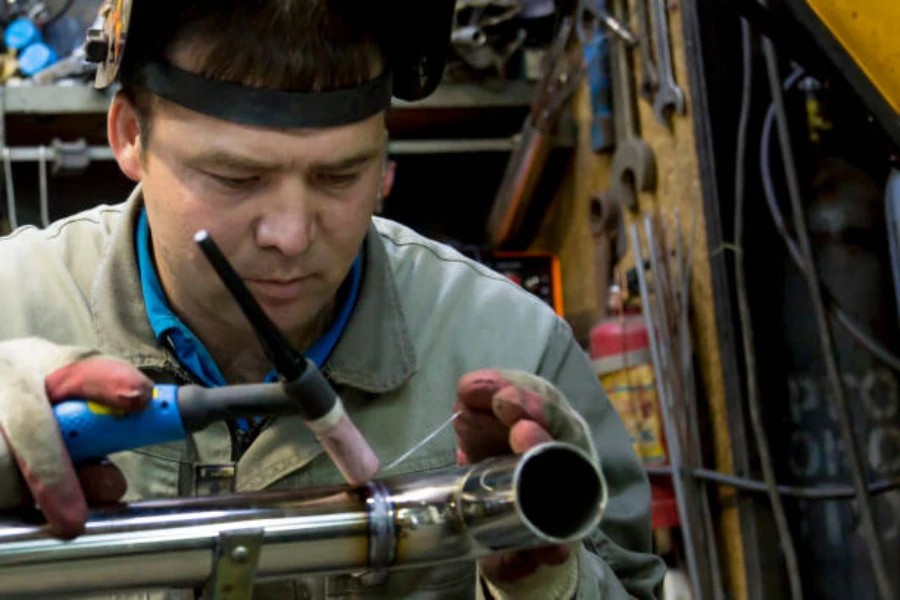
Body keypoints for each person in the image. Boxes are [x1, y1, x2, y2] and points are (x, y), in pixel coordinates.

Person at [0, 1, 667, 598]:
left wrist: (546, 578)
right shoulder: (11, 308)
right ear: (128, 137)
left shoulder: (513, 345)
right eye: (236, 177)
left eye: (340, 175)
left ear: (385, 153)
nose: (291, 236)